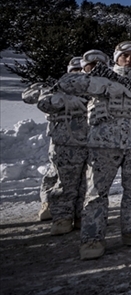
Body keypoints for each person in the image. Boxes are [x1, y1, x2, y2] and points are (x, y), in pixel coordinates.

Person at [59, 42, 131, 260]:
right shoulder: (102, 75)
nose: (129, 59)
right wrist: (104, 87)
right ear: (117, 57)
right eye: (124, 55)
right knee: (97, 192)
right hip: (104, 143)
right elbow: (66, 83)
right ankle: (92, 238)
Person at [22, 56, 90, 233]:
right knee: (60, 178)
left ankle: (80, 215)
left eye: (79, 70)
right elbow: (32, 98)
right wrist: (59, 98)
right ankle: (58, 213)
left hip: (89, 140)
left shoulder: (91, 86)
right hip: (63, 140)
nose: (76, 73)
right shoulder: (58, 87)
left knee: (85, 181)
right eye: (73, 70)